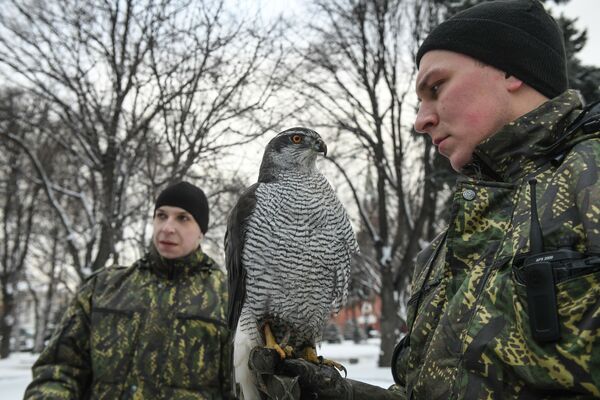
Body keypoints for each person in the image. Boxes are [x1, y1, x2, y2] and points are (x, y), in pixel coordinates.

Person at [249, 0, 600, 399]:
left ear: (512, 71)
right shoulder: (446, 247)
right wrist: (339, 395)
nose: (420, 119)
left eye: (436, 88)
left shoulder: (591, 176)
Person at [24, 181, 234, 399]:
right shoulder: (104, 287)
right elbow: (60, 369)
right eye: (161, 216)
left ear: (202, 231)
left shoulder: (227, 299)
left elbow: (241, 389)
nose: (167, 228)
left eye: (183, 218)